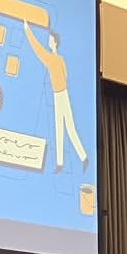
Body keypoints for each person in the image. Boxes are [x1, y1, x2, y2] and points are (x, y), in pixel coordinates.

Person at [23, 22, 85, 173]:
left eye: (50, 40)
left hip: (62, 95)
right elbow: (65, 75)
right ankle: (60, 163)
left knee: (69, 128)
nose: (48, 41)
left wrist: (27, 30)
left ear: (55, 42)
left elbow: (38, 49)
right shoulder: (57, 60)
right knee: (59, 129)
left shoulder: (53, 59)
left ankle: (83, 158)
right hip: (59, 95)